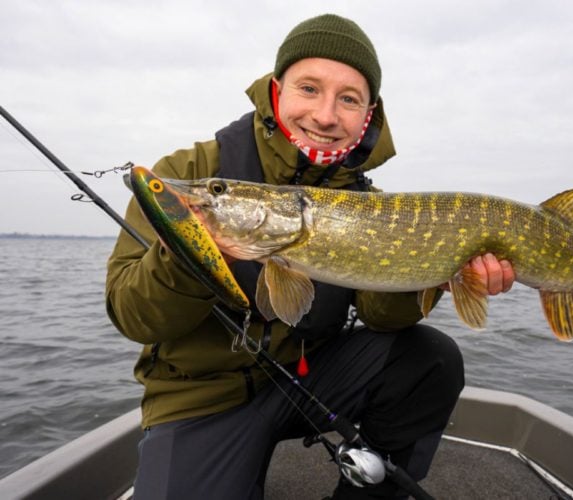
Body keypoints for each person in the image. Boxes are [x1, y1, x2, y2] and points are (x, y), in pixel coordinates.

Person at [106, 13, 515, 499]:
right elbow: (134, 317)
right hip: (201, 399)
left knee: (432, 359)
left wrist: (439, 272)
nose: (325, 115)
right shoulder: (186, 174)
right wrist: (187, 252)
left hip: (307, 381)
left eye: (348, 99)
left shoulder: (368, 201)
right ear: (277, 90)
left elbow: (381, 319)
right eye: (309, 88)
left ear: (368, 115)